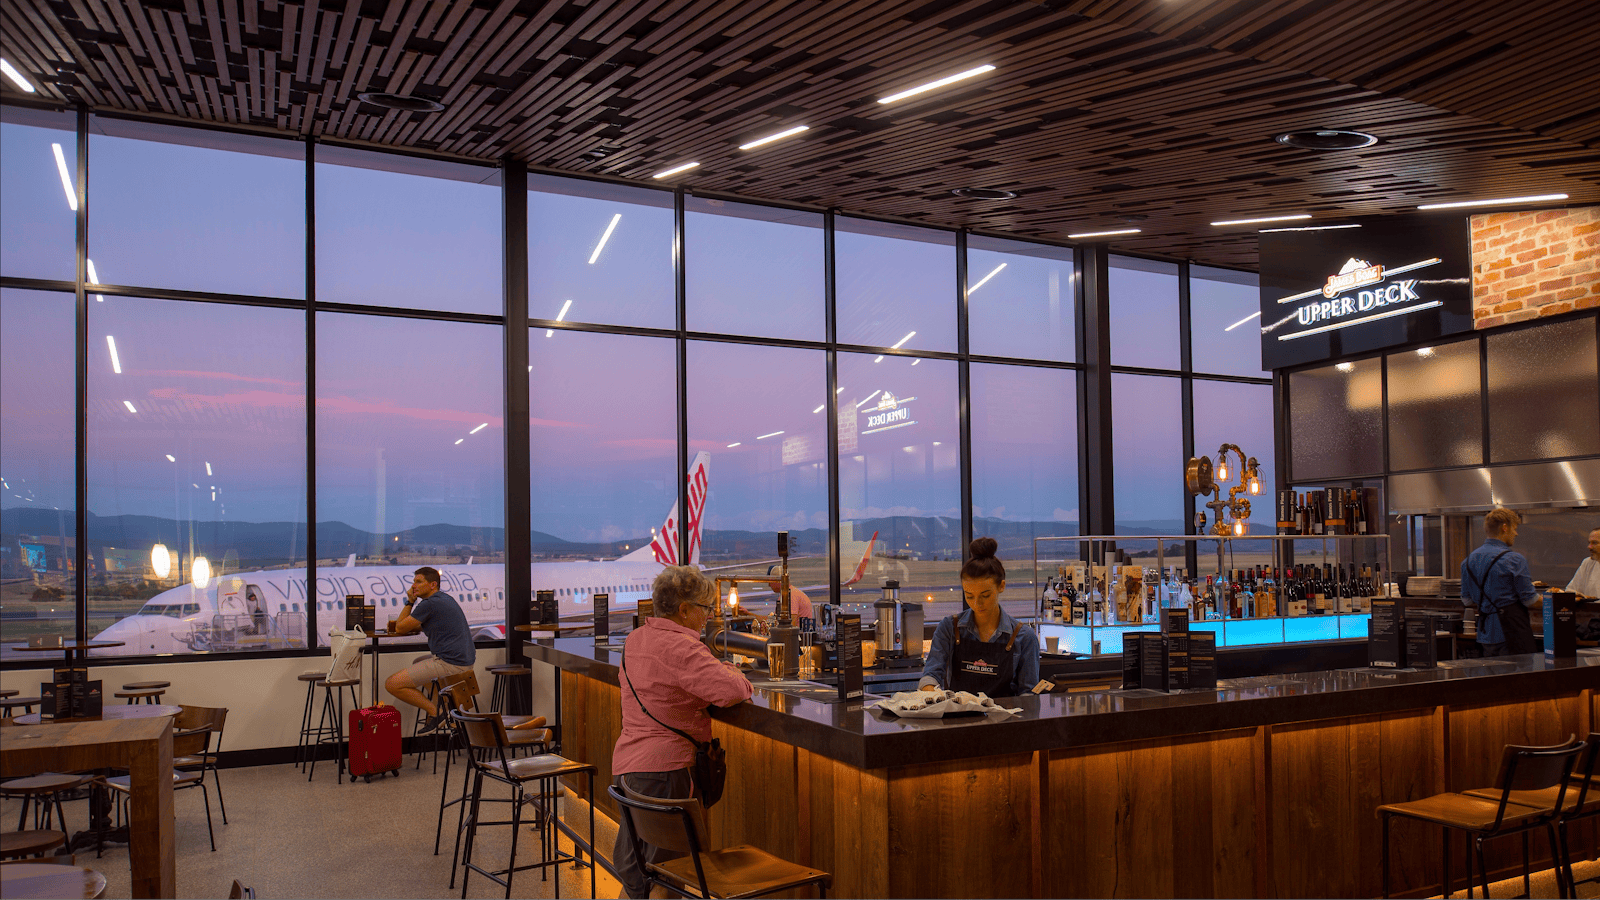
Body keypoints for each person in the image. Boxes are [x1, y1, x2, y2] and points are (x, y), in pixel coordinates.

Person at [613, 565, 752, 900]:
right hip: (667, 775)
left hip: (629, 771)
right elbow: (732, 690)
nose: (708, 617)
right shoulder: (682, 648)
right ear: (684, 609)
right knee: (668, 879)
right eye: (705, 609)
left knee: (638, 877)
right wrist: (731, 668)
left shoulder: (636, 639)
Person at [918, 537, 1040, 698]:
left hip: (1006, 721)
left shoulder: (1024, 638)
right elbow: (931, 675)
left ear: (1001, 586)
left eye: (986, 595)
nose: (977, 604)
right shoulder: (949, 627)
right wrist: (930, 694)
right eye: (969, 596)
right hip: (960, 721)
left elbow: (1029, 696)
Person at [384, 567, 475, 732]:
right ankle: (442, 706)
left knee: (392, 684)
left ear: (433, 584)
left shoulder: (429, 604)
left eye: (418, 582)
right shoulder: (443, 599)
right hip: (463, 660)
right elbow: (420, 624)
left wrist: (410, 602)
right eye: (413, 582)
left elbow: (400, 628)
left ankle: (437, 713)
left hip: (451, 664)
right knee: (418, 662)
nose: (413, 586)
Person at [1460, 508, 1541, 657]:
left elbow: (1467, 600)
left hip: (1485, 635)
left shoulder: (1468, 561)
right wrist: (1559, 599)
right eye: (1515, 529)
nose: (1516, 534)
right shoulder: (1514, 560)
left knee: (1494, 678)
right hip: (1512, 634)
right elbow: (1531, 600)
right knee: (1519, 678)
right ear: (1505, 528)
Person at [1566, 528, 1600, 599]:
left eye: (1594, 543)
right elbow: (1571, 591)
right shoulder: (1588, 563)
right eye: (1589, 543)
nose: (1589, 547)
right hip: (1590, 610)